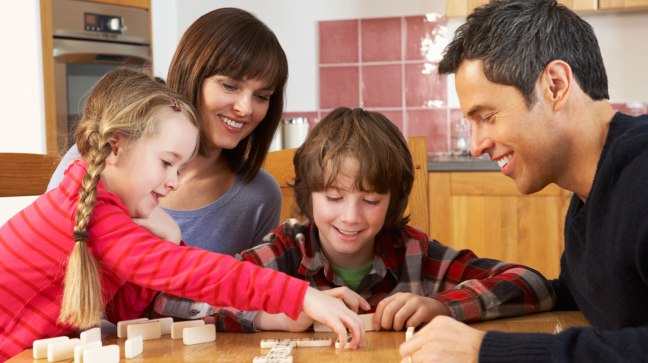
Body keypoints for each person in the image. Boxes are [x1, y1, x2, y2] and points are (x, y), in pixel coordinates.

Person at [0, 69, 364, 360]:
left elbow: (128, 310)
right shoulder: (94, 215)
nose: (174, 182)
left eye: (181, 167)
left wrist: (167, 239)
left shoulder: (105, 211)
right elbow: (200, 274)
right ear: (115, 149)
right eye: (166, 163)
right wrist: (302, 296)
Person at [153, 107, 555, 334]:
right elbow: (170, 298)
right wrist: (274, 312)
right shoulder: (287, 249)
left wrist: (440, 307)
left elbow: (533, 284)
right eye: (333, 197)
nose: (350, 217)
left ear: (393, 202)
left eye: (370, 200)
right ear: (308, 195)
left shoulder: (413, 251)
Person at [399, 0, 648, 362]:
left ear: (555, 85)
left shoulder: (641, 176)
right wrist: (447, 306)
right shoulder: (589, 195)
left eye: (487, 116)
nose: (476, 146)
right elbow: (574, 295)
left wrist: (485, 351)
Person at [48, 7, 286, 255]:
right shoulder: (104, 151)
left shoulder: (259, 196)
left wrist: (173, 244)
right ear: (192, 74)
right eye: (229, 85)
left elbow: (249, 287)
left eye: (261, 96)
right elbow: (48, 255)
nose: (245, 109)